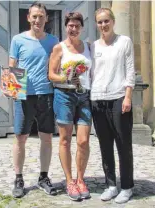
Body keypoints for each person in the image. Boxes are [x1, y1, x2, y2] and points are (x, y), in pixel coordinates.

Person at [9, 3, 58, 198]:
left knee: (46, 137)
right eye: (35, 16)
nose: (38, 20)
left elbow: (58, 66)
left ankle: (43, 177)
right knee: (20, 138)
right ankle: (18, 178)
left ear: (47, 19)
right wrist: (8, 86)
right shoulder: (18, 40)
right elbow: (12, 65)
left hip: (46, 95)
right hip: (24, 95)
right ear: (29, 18)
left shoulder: (54, 41)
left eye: (41, 16)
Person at [90, 8, 135, 204]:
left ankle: (127, 187)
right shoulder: (93, 47)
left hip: (119, 98)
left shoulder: (124, 42)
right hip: (97, 100)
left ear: (113, 21)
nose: (103, 25)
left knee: (123, 145)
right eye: (99, 22)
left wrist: (127, 97)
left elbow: (130, 70)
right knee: (105, 145)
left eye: (106, 21)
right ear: (96, 24)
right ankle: (111, 185)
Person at [48, 12, 92, 201]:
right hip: (64, 95)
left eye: (77, 26)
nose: (73, 29)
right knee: (65, 140)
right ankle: (69, 181)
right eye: (70, 26)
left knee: (83, 141)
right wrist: (67, 77)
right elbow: (51, 75)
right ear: (66, 27)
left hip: (84, 96)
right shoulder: (59, 48)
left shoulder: (88, 47)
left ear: (82, 28)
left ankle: (80, 179)